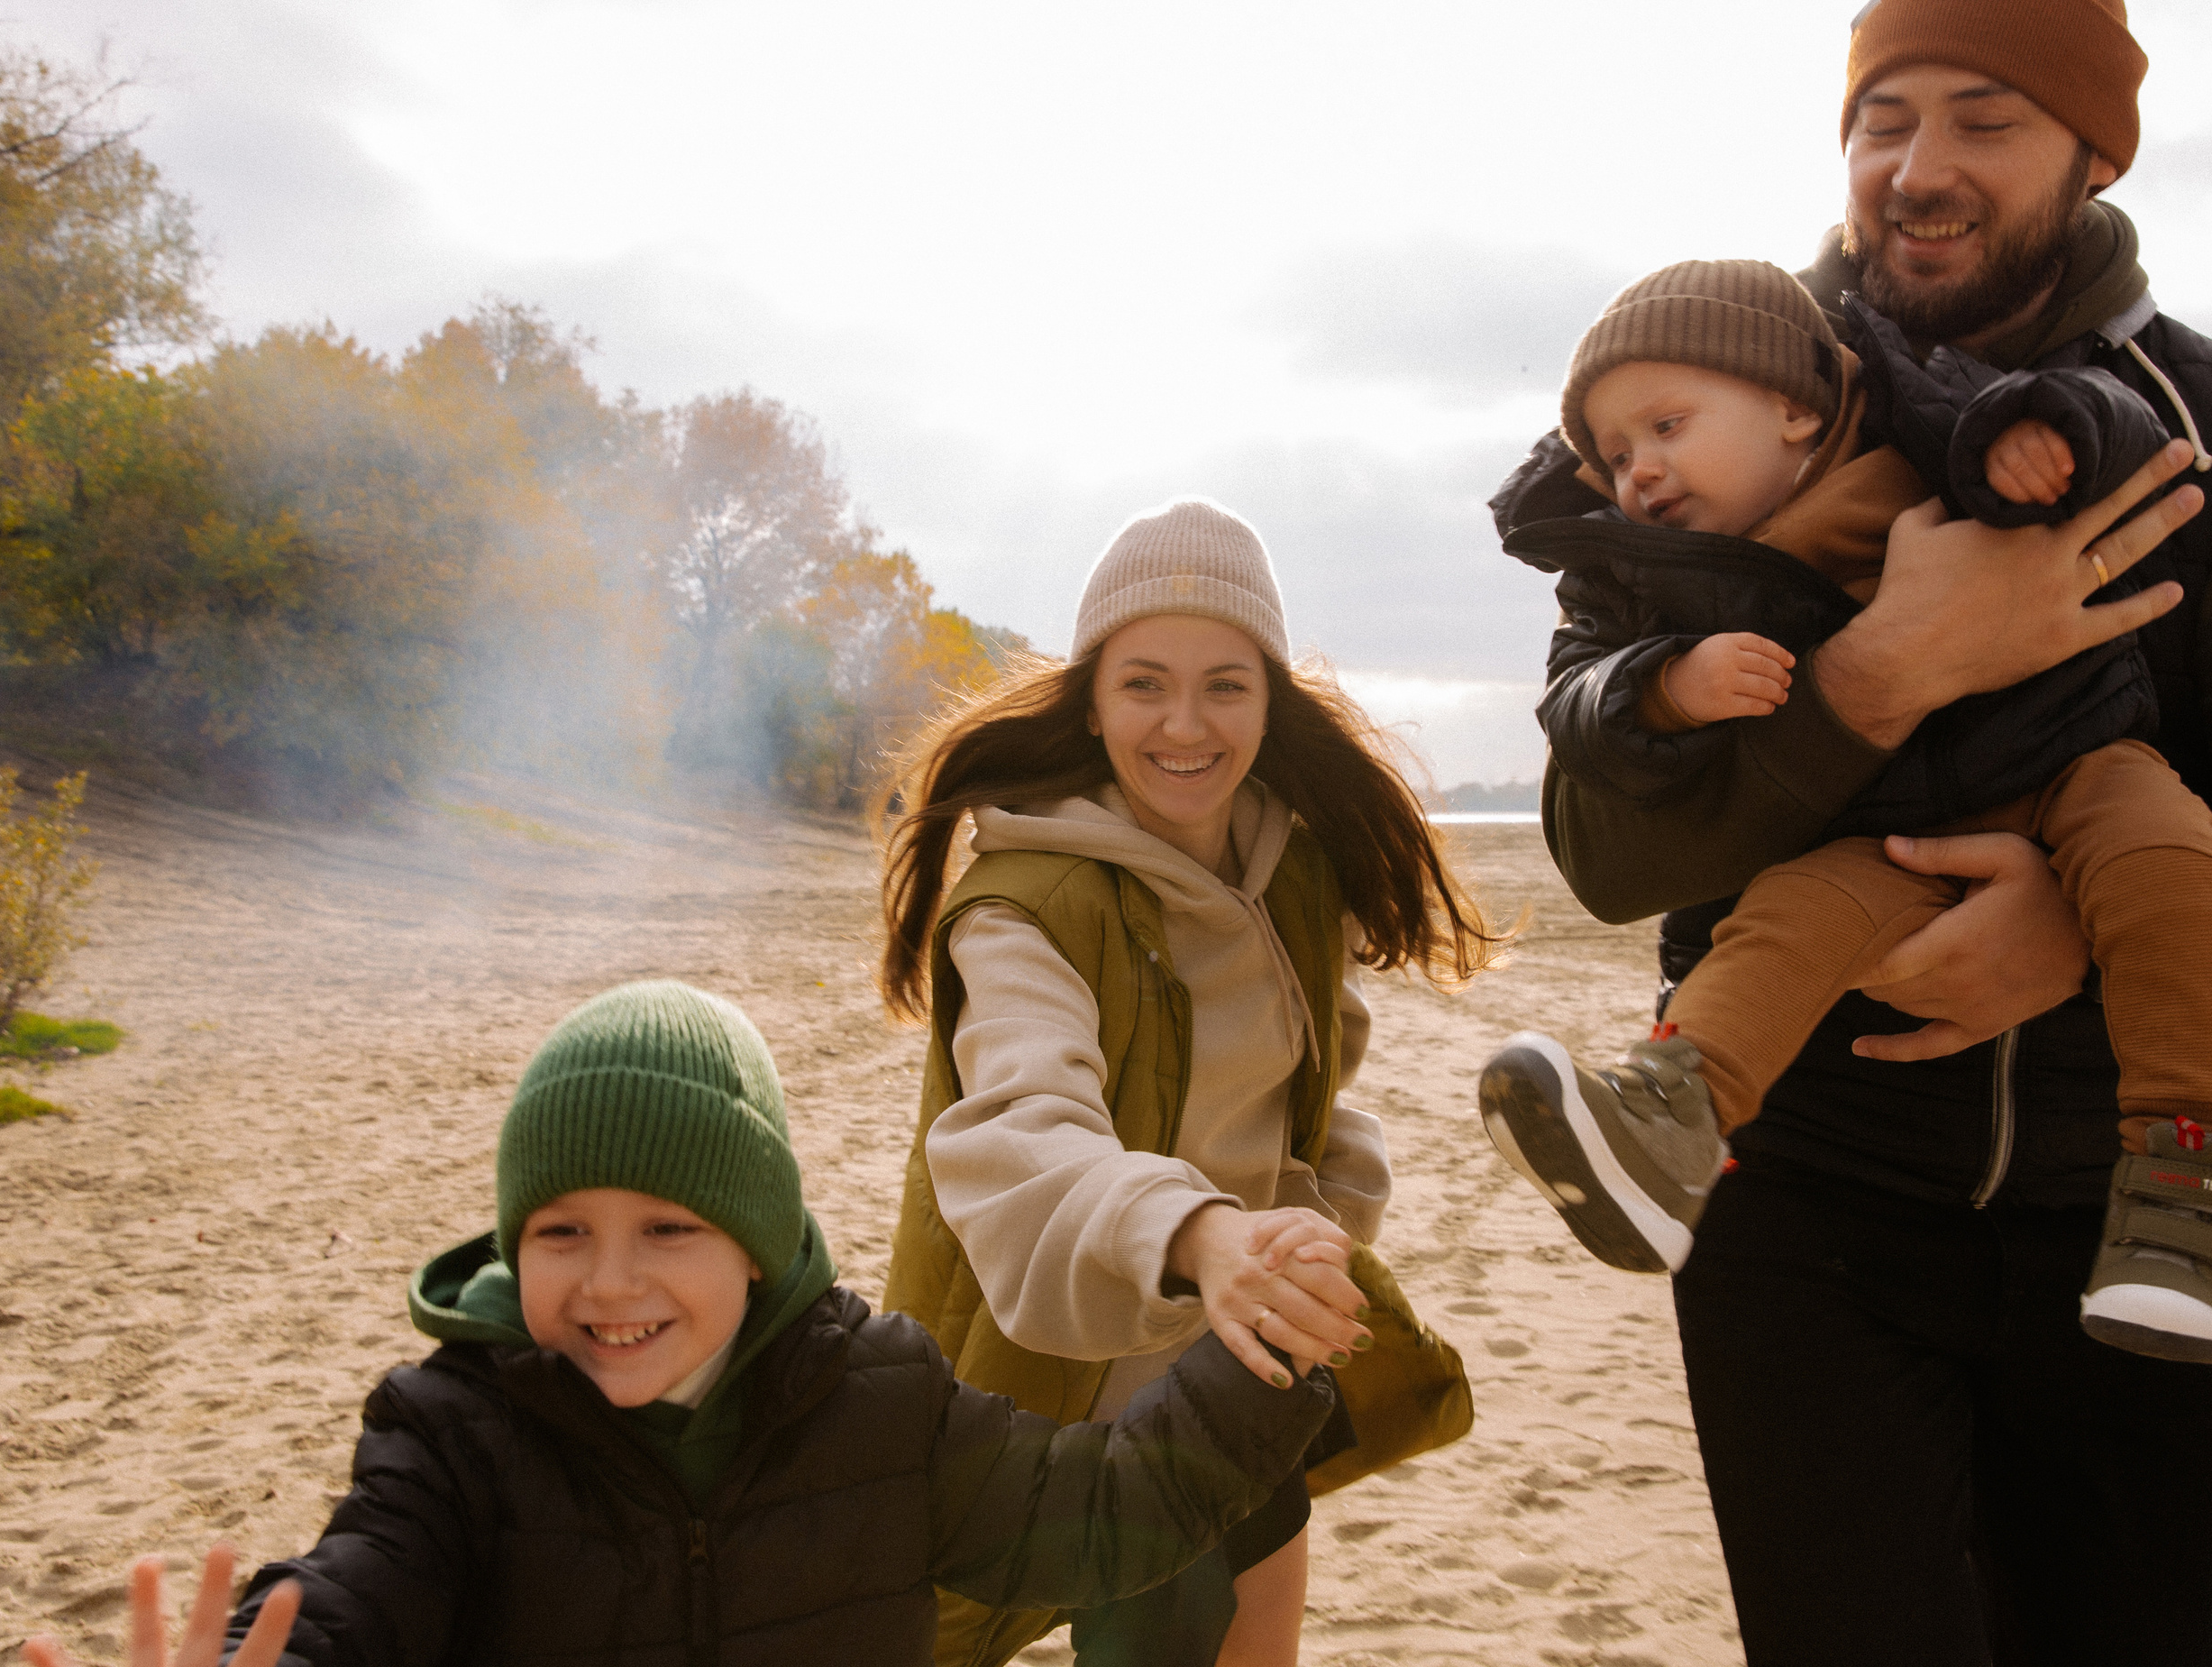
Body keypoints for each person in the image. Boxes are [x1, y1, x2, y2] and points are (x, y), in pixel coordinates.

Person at [1485, 1, 2212, 1660]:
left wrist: (2078, 921)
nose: (1919, 168)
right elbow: (1603, 847)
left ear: (2096, 152)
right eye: (1885, 118)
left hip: (2127, 1219)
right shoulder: (1693, 415)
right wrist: (1881, 674)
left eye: (1985, 119)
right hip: (1805, 1208)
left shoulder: (2188, 423)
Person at [22, 980, 1338, 1667]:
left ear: (755, 1247)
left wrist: (1266, 1352)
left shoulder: (881, 1397)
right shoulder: (455, 1431)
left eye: (668, 1229)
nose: (610, 1282)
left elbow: (1100, 1513)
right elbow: (360, 1591)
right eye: (560, 1232)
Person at [1477, 256, 2212, 1363]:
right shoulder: (1647, 574)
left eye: (1667, 427)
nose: (1640, 471)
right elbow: (1578, 708)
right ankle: (1668, 1117)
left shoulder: (1916, 413)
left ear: (1793, 407)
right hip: (1894, 824)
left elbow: (2100, 419)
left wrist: (2043, 430)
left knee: (2161, 859)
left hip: (2072, 753)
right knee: (1791, 916)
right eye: (1615, 454)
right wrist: (1664, 684)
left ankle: (2181, 1175)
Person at [877, 497, 1502, 1666]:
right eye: (1144, 683)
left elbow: (1310, 1100)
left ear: (1269, 700)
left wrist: (1312, 1233)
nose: (1184, 723)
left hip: (1238, 1371)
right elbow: (1024, 1136)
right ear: (1092, 700)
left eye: (1224, 684)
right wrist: (1205, 1236)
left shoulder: (1297, 873)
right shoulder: (1020, 905)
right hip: (1052, 1402)